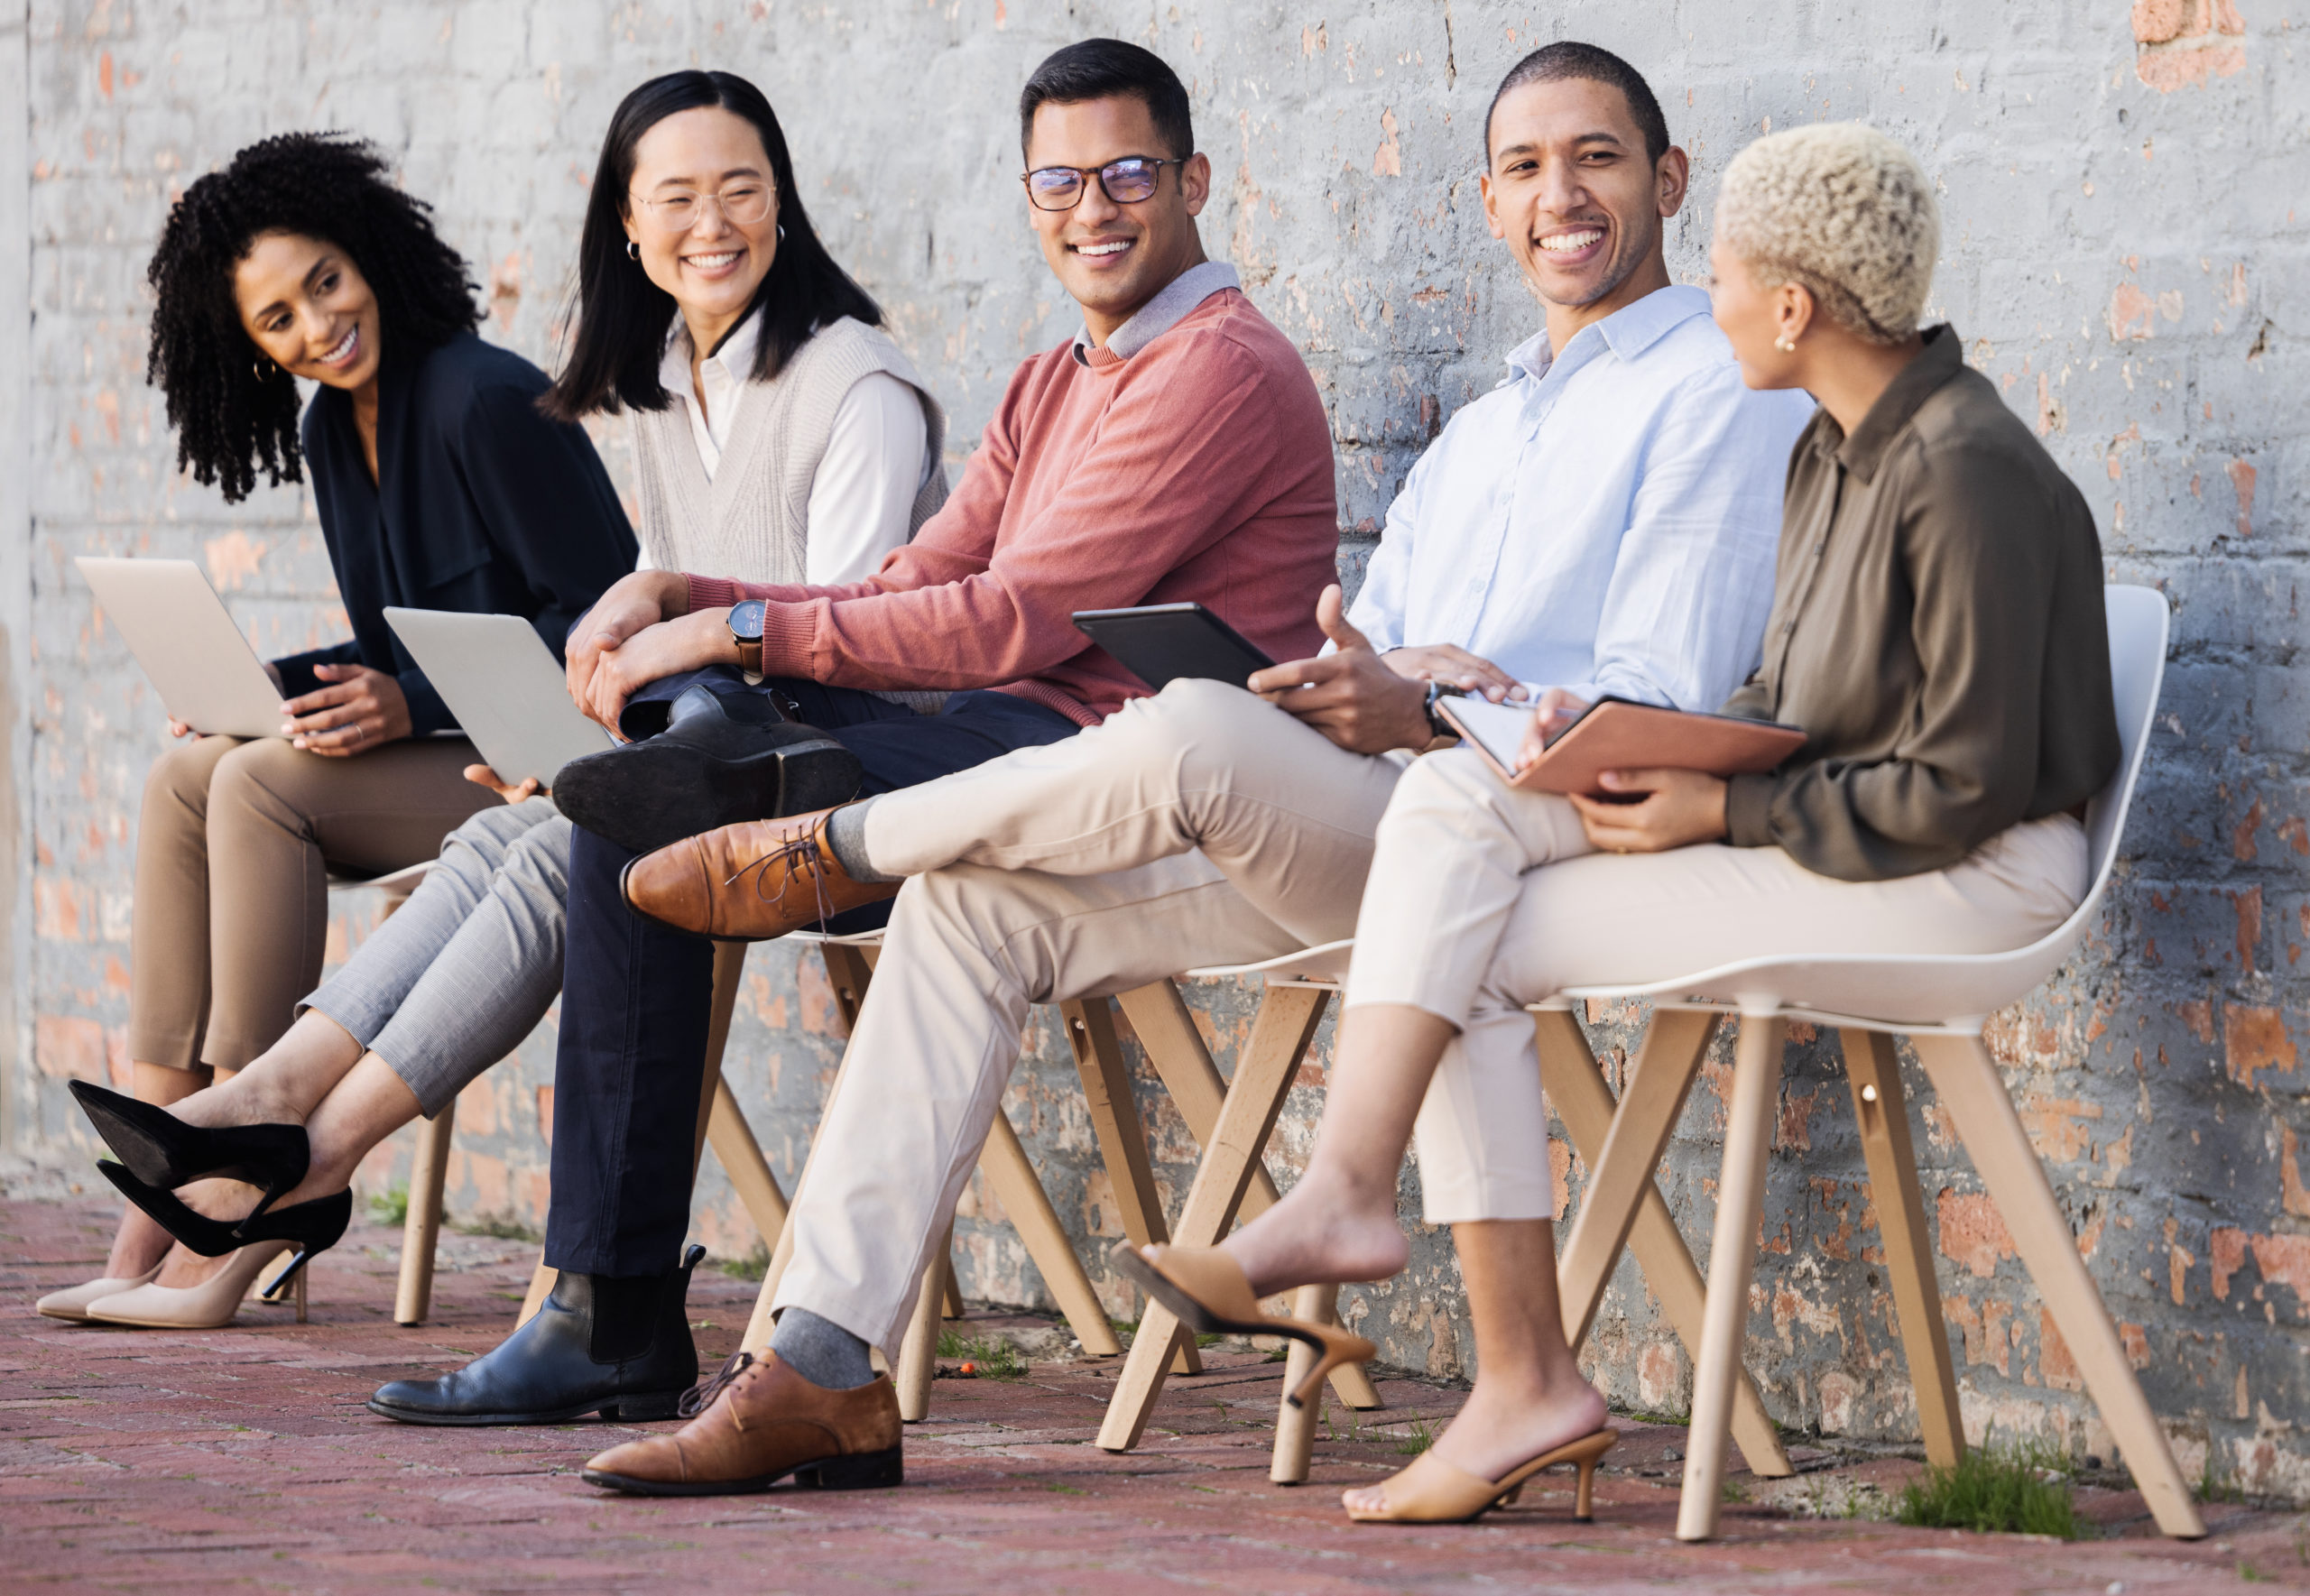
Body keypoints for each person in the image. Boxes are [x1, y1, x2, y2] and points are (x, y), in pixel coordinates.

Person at [577, 43, 1815, 1499]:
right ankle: (822, 1367)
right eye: (1528, 168)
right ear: (1488, 203)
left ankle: (845, 842)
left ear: (1667, 180)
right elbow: (1380, 642)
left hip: (1535, 827)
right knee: (975, 902)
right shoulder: (1484, 428)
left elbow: (1652, 696)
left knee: (1186, 725)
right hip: (1383, 822)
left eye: (1597, 158)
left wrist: (1419, 704)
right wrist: (1363, 683)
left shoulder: (1715, 388)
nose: (1563, 194)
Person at [1129, 121, 2121, 1526]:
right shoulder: (1831, 454)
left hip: (1974, 877)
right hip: (1843, 822)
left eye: (1719, 274)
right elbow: (1789, 698)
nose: (1700, 301)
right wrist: (1610, 731)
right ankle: (1478, 1334)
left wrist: (1725, 800)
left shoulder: (1966, 473)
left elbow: (1963, 789)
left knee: (1457, 928)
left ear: (1793, 306)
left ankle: (1406, 1256)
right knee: (1460, 825)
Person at [361, 37, 1341, 1429]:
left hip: (1117, 785)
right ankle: (606, 1309)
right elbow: (907, 588)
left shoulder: (1217, 371)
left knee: (670, 773)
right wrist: (688, 591)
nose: (1094, 207)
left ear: (1190, 179)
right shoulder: (1054, 381)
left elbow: (1008, 621)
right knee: (640, 793)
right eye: (1058, 180)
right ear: (1027, 195)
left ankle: (609, 1302)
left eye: (1127, 172)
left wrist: (734, 638)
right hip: (991, 739)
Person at [57, 74, 947, 1332]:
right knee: (232, 782)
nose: (314, 323)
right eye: (675, 201)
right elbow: (575, 633)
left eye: (738, 190)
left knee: (342, 804)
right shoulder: (668, 386)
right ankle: (233, 1135)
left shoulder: (831, 387)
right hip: (672, 752)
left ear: (784, 203)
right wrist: (289, 685)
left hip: (813, 775)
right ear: (630, 231)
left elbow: (828, 642)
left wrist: (569, 707)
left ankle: (270, 1169)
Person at [42, 133, 637, 1326]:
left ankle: (235, 1184)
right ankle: (159, 1164)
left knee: (262, 787)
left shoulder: (485, 397)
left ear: (363, 251)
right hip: (452, 748)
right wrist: (277, 681)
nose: (317, 325)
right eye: (278, 320)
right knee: (187, 772)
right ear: (252, 350)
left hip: (552, 758)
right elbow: (397, 638)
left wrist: (404, 702)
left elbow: (607, 620)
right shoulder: (328, 434)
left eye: (324, 281)